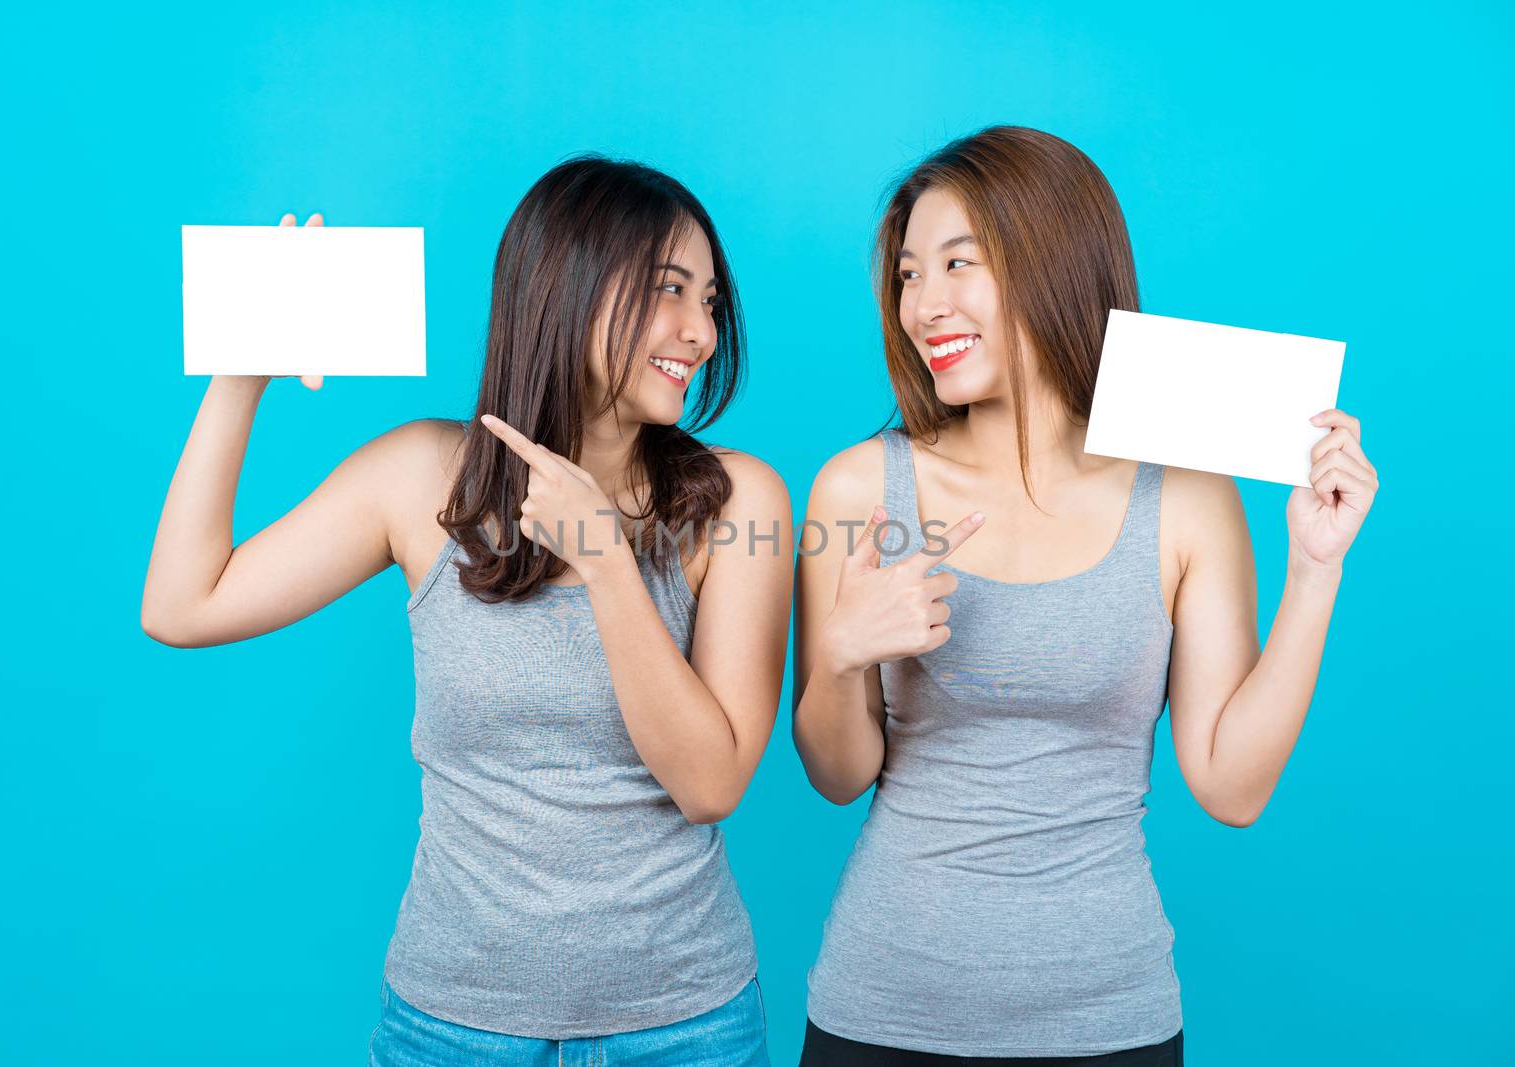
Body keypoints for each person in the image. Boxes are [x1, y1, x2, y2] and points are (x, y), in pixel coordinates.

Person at [141, 156, 793, 1066]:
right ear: (565, 288)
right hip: (452, 1026)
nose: (701, 332)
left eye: (711, 301)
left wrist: (606, 559)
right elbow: (181, 604)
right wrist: (239, 376)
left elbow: (709, 783)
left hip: (686, 1024)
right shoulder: (417, 477)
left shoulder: (737, 501)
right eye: (668, 291)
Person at [790, 126, 1379, 1065]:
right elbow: (835, 773)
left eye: (958, 264)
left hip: (1111, 1019)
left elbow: (1231, 786)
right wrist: (841, 656)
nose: (923, 304)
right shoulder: (860, 488)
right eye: (908, 274)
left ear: (1055, 264)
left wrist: (1316, 569)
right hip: (883, 1009)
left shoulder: (1186, 496)